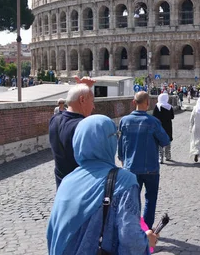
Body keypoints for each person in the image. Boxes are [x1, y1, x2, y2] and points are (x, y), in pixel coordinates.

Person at [47, 115, 157, 255]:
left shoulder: (67, 181)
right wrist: (147, 241)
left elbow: (52, 234)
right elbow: (131, 241)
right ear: (110, 140)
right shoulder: (124, 181)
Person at [118, 91, 171, 229]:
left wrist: (123, 159)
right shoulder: (153, 122)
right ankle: (146, 230)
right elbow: (165, 140)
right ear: (148, 103)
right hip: (151, 167)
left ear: (133, 102)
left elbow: (120, 144)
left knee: (132, 200)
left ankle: (133, 228)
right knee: (150, 199)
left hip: (131, 167)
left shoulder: (124, 121)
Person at [49, 77, 96, 188]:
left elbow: (69, 112)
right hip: (81, 188)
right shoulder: (83, 126)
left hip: (62, 187)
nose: (93, 106)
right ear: (82, 100)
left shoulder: (54, 120)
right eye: (92, 102)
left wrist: (83, 88)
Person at [153, 92, 174, 164]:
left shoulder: (157, 106)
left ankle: (160, 157)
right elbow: (172, 117)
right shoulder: (169, 107)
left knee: (159, 140)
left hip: (159, 126)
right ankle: (168, 155)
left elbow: (154, 116)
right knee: (168, 139)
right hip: (168, 126)